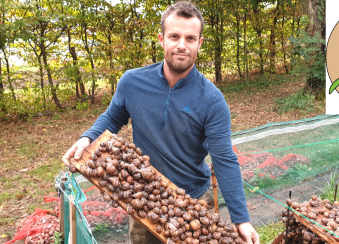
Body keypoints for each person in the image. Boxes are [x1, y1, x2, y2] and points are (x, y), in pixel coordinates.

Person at [62, 2, 260, 244]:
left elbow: (224, 159)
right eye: (174, 36)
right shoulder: (132, 82)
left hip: (192, 202)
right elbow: (113, 117)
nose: (181, 45)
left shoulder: (212, 100)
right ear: (161, 39)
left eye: (190, 38)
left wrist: (242, 219)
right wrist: (87, 137)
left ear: (200, 43)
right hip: (144, 201)